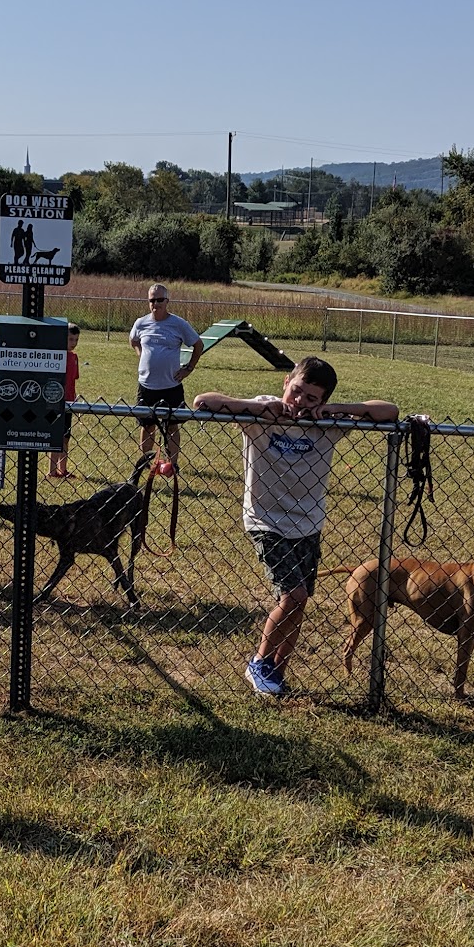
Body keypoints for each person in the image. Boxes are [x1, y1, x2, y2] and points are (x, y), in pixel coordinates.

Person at [193, 357, 397, 699]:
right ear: (286, 382)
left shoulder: (329, 422)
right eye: (296, 391)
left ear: (323, 401)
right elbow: (202, 401)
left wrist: (334, 410)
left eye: (311, 398)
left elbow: (390, 410)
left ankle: (277, 671)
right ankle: (259, 662)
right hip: (265, 520)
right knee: (294, 595)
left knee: (299, 604)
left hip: (308, 524)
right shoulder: (260, 413)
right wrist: (256, 409)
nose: (299, 402)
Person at [127, 283, 203, 468]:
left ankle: (173, 463)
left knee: (172, 426)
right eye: (152, 300)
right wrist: (141, 354)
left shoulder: (178, 324)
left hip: (171, 386)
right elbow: (133, 340)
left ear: (167, 301)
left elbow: (198, 344)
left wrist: (189, 368)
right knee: (147, 426)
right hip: (146, 386)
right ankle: (145, 462)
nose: (156, 304)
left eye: (160, 300)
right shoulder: (141, 322)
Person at [48, 323, 80, 479]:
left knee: (66, 437)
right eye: (70, 339)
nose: (73, 343)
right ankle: (52, 470)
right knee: (55, 437)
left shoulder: (74, 357)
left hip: (69, 403)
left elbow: (73, 380)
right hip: (56, 403)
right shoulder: (57, 357)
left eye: (75, 340)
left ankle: (63, 469)